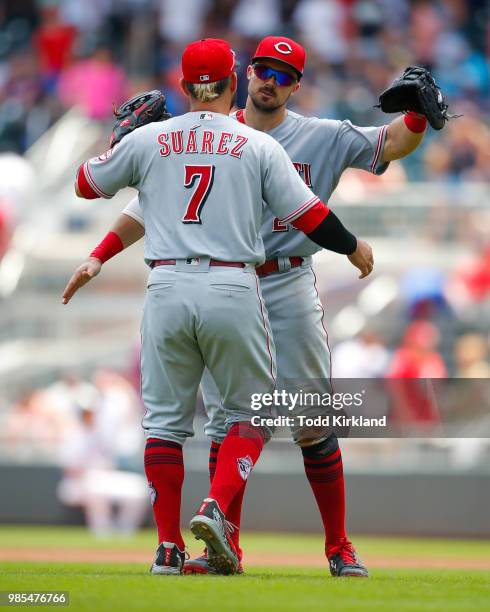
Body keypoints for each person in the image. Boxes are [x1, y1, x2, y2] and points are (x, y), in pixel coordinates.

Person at [64, 35, 431, 579]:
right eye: (262, 68)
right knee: (230, 422)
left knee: (309, 421)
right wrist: (99, 253)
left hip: (280, 282)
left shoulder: (317, 135)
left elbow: (391, 143)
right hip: (234, 285)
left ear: (297, 85)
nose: (270, 80)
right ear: (242, 76)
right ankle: (221, 544)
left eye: (283, 75)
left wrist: (419, 119)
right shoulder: (229, 138)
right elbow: (150, 207)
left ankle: (337, 545)